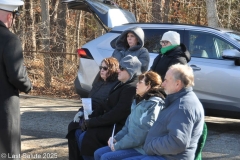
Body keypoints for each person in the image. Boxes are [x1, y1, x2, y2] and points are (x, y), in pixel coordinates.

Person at [128, 63, 205, 160]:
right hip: (162, 154)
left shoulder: (183, 106)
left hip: (169, 157)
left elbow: (177, 142)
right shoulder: (177, 100)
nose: (163, 84)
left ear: (177, 83)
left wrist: (151, 146)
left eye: (166, 80)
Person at [75, 55, 142, 160]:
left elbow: (117, 114)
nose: (118, 70)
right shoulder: (122, 84)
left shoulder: (131, 88)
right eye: (119, 67)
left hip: (119, 127)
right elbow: (106, 104)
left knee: (87, 136)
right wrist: (89, 117)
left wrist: (93, 122)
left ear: (130, 70)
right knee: (78, 130)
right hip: (111, 123)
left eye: (122, 68)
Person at [94, 71, 166, 160]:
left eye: (140, 82)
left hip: (142, 148)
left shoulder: (153, 104)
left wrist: (118, 145)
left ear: (148, 86)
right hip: (132, 144)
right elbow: (127, 125)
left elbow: (141, 134)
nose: (137, 84)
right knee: (98, 153)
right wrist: (116, 138)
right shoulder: (138, 100)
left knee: (106, 157)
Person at [66, 57, 119, 160]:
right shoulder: (98, 82)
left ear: (112, 69)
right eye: (101, 67)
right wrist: (81, 111)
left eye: (105, 68)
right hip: (88, 112)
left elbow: (107, 105)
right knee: (72, 127)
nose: (101, 70)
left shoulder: (114, 85)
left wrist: (92, 114)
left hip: (99, 115)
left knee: (84, 135)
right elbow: (89, 99)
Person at [0, 1, 32, 159]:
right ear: (9, 15)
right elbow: (17, 75)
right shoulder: (10, 39)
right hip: (4, 107)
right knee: (8, 152)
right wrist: (28, 86)